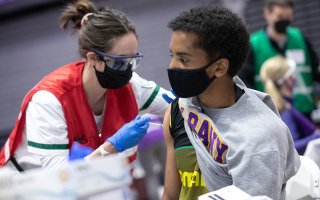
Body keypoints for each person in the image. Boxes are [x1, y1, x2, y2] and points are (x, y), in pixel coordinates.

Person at [0, 0, 169, 173]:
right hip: (23, 185)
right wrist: (110, 148)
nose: (127, 69)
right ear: (93, 59)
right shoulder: (49, 100)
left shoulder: (132, 86)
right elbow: (61, 178)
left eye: (133, 60)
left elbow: (178, 107)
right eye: (119, 62)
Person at [161, 6, 300, 200]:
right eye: (172, 55)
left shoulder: (261, 140)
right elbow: (170, 194)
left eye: (184, 59)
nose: (172, 66)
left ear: (219, 67)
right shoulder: (180, 109)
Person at [238, 0, 320, 118]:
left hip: (305, 110)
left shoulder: (299, 38)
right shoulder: (254, 44)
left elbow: (315, 71)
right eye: (280, 16)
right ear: (267, 14)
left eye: (288, 16)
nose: (284, 21)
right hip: (272, 113)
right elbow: (244, 83)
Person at [260, 55, 320, 155]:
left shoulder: (283, 106)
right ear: (287, 80)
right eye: (292, 75)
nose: (295, 79)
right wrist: (317, 136)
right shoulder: (284, 112)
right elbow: (292, 147)